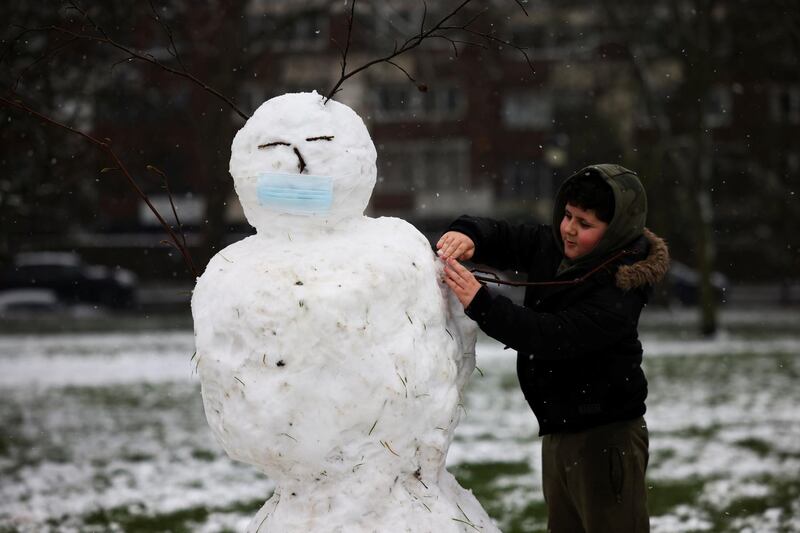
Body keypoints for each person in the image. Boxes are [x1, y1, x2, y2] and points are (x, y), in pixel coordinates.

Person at [437, 164, 669, 533]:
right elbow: (506, 236)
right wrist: (468, 234)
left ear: (616, 232)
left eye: (585, 223)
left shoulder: (620, 289)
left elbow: (553, 336)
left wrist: (483, 304)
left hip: (606, 439)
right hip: (560, 431)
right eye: (568, 215)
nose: (569, 229)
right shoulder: (556, 246)